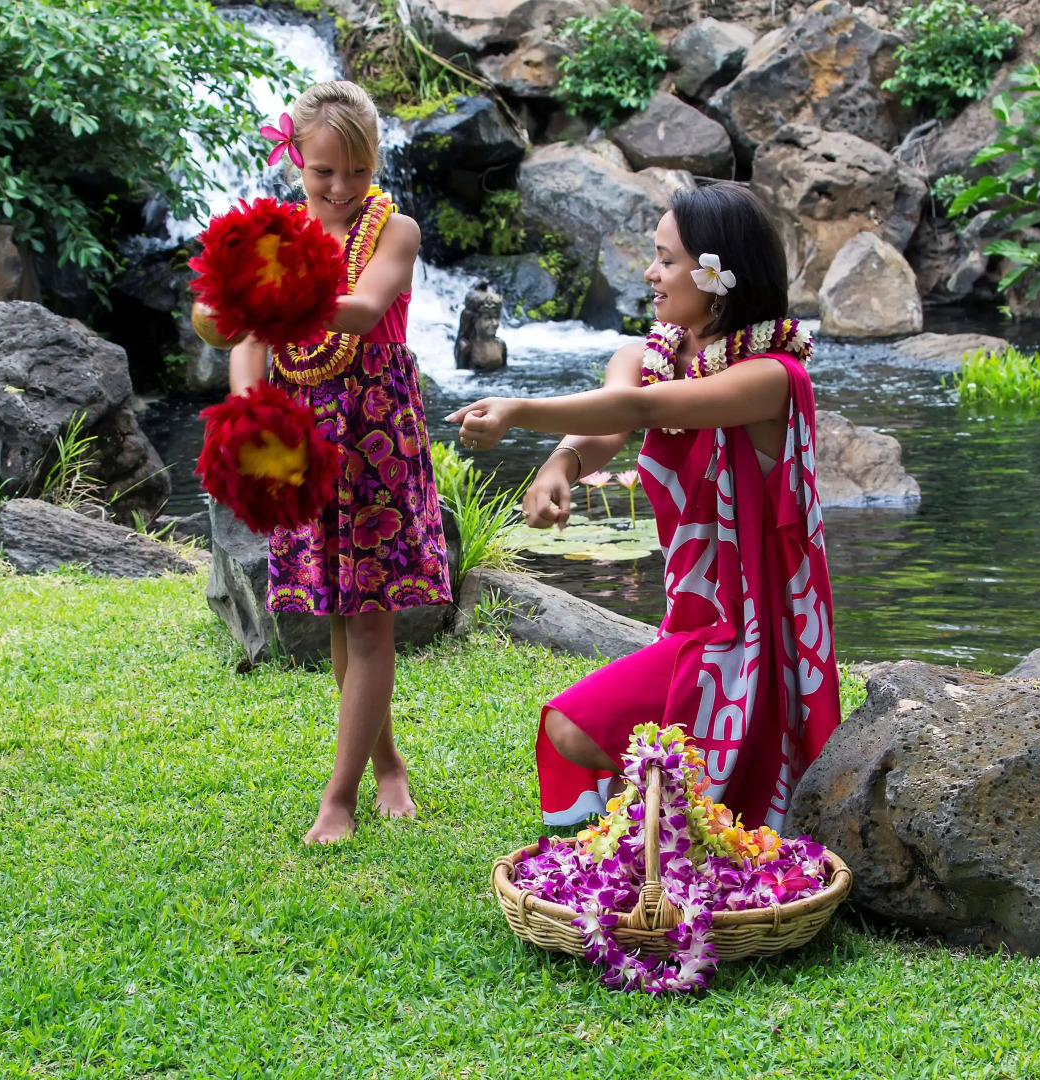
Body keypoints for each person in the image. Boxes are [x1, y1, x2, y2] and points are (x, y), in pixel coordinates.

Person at [445, 183, 842, 832]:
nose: (650, 275)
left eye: (665, 260)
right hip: (689, 623)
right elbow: (611, 418)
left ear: (716, 276)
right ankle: (664, 835)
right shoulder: (649, 353)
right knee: (587, 736)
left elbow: (644, 410)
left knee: (574, 728)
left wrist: (520, 413)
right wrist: (563, 462)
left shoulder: (771, 378)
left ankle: (672, 832)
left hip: (750, 637)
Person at [192, 81, 450, 844]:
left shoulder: (394, 231)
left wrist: (260, 298)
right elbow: (248, 347)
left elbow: (365, 310)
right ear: (295, 160)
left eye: (357, 173)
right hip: (301, 431)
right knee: (342, 614)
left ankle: (338, 798)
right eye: (323, 173)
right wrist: (250, 414)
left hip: (374, 435)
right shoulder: (275, 237)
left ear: (375, 165)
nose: (340, 189)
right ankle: (387, 761)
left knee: (370, 621)